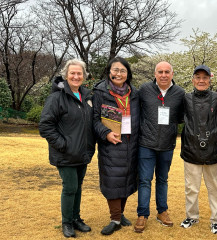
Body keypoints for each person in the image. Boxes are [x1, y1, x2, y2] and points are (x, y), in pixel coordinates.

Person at [39, 59, 95, 238]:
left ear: (84, 76)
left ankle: (76, 218)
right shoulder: (57, 98)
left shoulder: (86, 97)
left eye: (80, 73)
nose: (76, 76)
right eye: (73, 73)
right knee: (70, 187)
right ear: (66, 75)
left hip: (83, 152)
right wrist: (63, 144)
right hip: (66, 153)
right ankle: (67, 222)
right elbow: (46, 126)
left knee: (78, 187)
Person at [134, 61, 185, 233]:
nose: (163, 75)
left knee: (162, 180)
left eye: (167, 72)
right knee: (145, 180)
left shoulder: (180, 93)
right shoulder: (144, 90)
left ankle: (162, 211)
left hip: (167, 145)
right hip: (146, 144)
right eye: (160, 71)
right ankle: (142, 214)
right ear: (155, 74)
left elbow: (181, 118)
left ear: (172, 73)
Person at [93, 57, 140, 235]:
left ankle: (119, 215)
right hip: (111, 143)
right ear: (109, 72)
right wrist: (105, 134)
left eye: (122, 71)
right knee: (113, 180)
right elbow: (95, 119)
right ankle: (115, 219)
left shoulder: (134, 93)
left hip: (131, 142)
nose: (118, 74)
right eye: (115, 70)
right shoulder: (100, 92)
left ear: (128, 74)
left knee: (127, 179)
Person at [180, 65, 217, 234]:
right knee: (191, 188)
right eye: (198, 77)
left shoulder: (216, 98)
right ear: (193, 80)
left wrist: (216, 138)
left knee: (214, 188)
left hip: (212, 151)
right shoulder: (186, 98)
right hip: (191, 150)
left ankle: (216, 220)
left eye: (204, 78)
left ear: (209, 80)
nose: (201, 80)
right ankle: (191, 216)